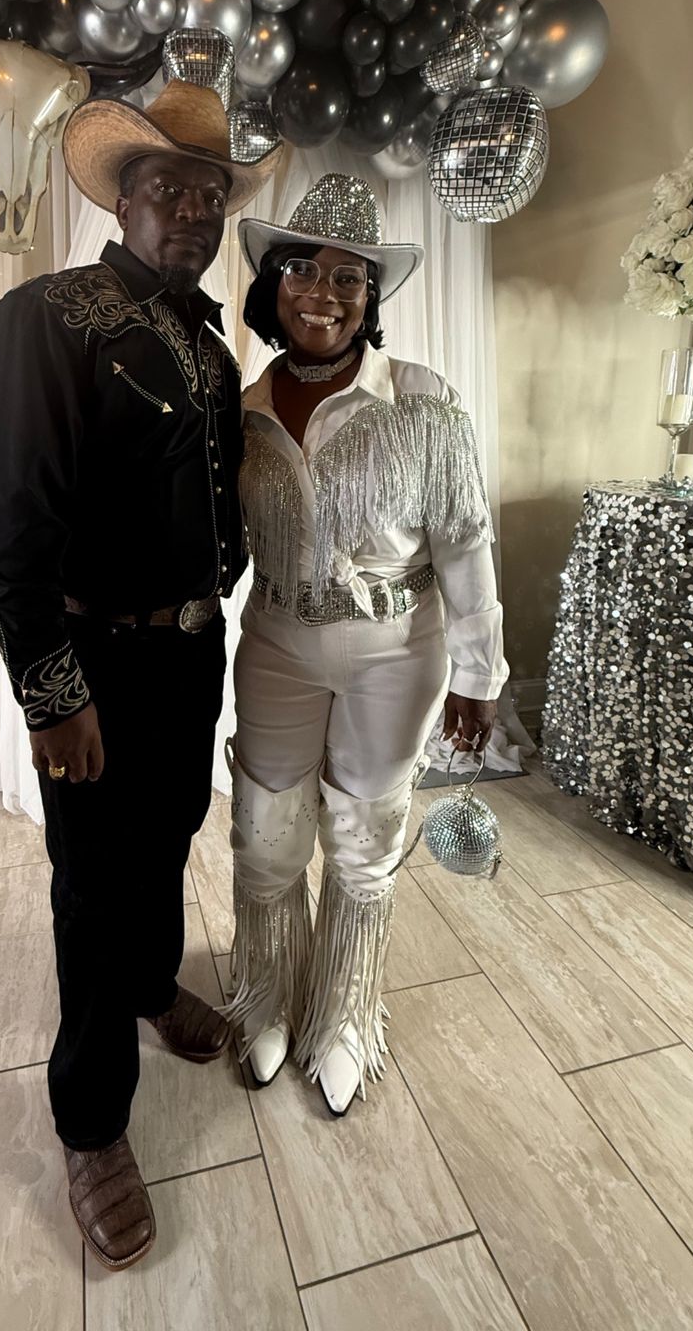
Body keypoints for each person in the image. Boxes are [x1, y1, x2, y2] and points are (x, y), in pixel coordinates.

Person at [0, 78, 279, 1271]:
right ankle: (91, 1124)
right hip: (92, 656)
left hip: (191, 646)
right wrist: (53, 691)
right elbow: (9, 528)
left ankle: (154, 984)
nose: (194, 209)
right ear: (123, 198)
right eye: (169, 187)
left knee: (170, 829)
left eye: (210, 193)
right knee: (93, 885)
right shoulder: (48, 315)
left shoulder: (209, 343)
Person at [223, 173, 508, 1115]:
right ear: (272, 284)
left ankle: (344, 1012)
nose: (324, 293)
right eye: (302, 270)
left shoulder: (422, 403)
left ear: (370, 297)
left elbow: (465, 540)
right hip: (276, 640)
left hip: (397, 649)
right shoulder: (242, 408)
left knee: (365, 832)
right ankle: (268, 994)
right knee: (267, 832)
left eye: (349, 277)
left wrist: (480, 672)